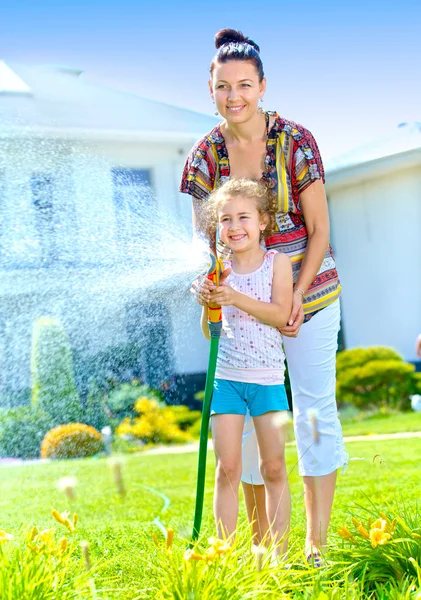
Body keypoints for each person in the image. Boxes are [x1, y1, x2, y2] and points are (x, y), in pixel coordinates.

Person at [180, 28, 348, 563]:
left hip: (310, 297)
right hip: (243, 312)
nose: (235, 96)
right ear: (210, 90)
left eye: (245, 85)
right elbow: (206, 245)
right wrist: (208, 286)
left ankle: (315, 548)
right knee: (253, 430)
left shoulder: (296, 141)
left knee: (314, 412)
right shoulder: (204, 156)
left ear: (263, 86)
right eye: (224, 86)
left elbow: (319, 229)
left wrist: (295, 295)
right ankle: (263, 551)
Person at [200, 177, 293, 557]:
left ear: (263, 222)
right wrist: (209, 303)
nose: (234, 227)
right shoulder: (217, 270)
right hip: (228, 381)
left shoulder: (278, 264)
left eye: (243, 217)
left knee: (273, 468)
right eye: (225, 220)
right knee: (227, 470)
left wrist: (234, 296)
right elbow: (210, 334)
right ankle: (224, 555)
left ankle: (279, 557)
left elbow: (279, 314)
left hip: (268, 379)